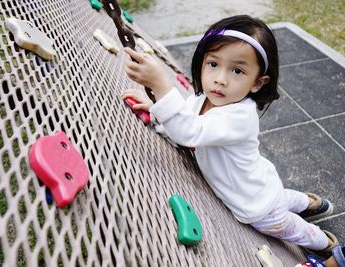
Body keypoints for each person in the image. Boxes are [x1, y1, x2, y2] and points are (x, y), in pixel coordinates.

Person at [122, 15, 338, 256]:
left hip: (258, 207)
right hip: (258, 181)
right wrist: (155, 110)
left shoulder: (240, 117)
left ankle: (326, 243)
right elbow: (183, 122)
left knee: (294, 229)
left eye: (237, 70)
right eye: (213, 64)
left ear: (257, 83)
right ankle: (310, 203)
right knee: (281, 196)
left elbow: (190, 132)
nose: (220, 79)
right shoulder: (202, 99)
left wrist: (161, 88)